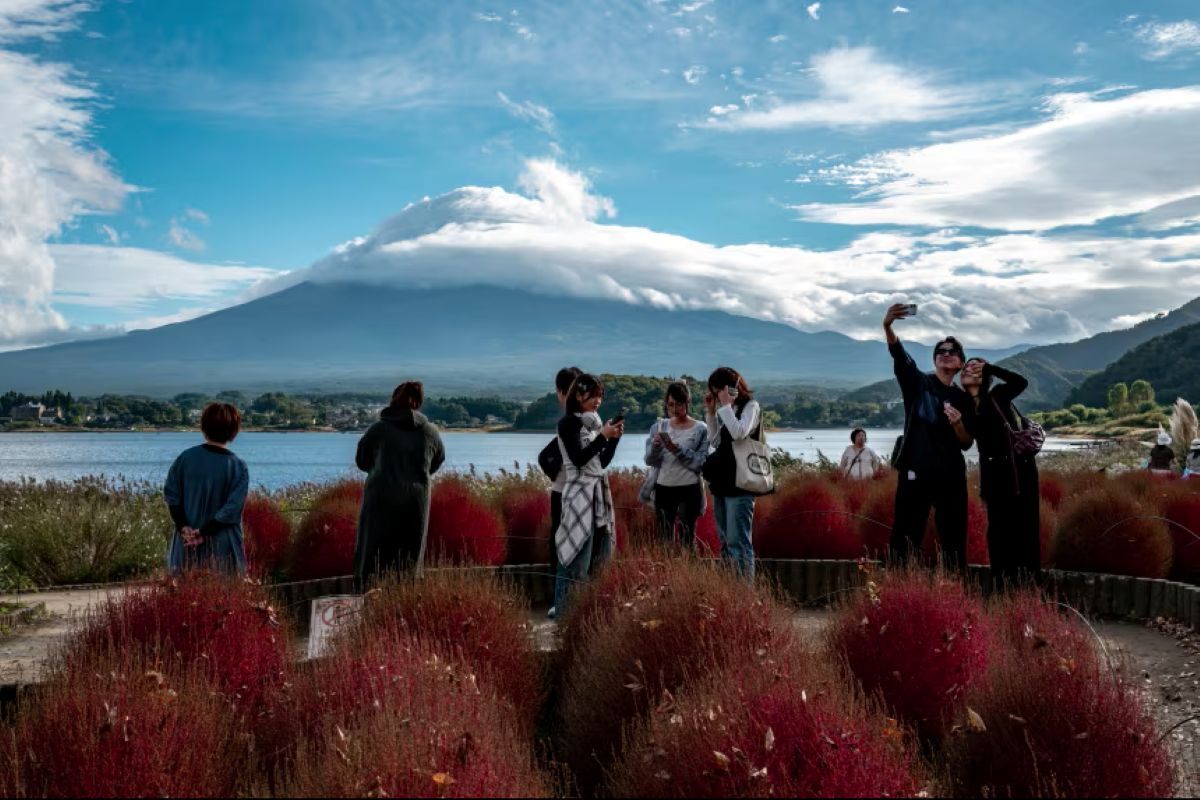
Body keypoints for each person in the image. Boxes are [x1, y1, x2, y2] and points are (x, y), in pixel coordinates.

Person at [882, 304, 975, 571]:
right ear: (935, 360)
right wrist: (888, 327)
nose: (945, 355)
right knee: (905, 538)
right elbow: (901, 357)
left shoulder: (963, 399)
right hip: (915, 472)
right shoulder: (918, 384)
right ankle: (899, 591)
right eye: (940, 352)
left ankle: (953, 593)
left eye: (952, 352)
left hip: (950, 477)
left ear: (959, 363)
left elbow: (967, 443)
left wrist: (957, 424)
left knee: (954, 540)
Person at [353, 381, 446, 589]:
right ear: (419, 403)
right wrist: (418, 476)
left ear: (394, 401)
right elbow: (438, 460)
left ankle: (369, 603)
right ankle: (406, 603)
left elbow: (361, 460)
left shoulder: (379, 430)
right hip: (417, 500)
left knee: (373, 556)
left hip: (380, 499)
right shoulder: (430, 432)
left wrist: (379, 472)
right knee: (409, 559)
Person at [960, 358, 1039, 589]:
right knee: (997, 536)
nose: (968, 369)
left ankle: (1027, 592)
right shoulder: (965, 405)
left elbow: (1021, 382)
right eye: (966, 367)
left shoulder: (997, 395)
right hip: (994, 477)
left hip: (1019, 473)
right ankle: (1001, 591)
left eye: (975, 367)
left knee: (1023, 534)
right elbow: (980, 451)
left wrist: (991, 367)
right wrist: (984, 490)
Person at [554, 373, 623, 613]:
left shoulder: (593, 423)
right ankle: (564, 618)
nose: (598, 401)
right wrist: (603, 436)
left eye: (600, 397)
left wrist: (612, 439)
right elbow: (579, 459)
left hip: (597, 496)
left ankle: (584, 617)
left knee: (598, 561)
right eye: (594, 396)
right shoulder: (569, 423)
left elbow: (600, 463)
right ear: (580, 395)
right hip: (578, 495)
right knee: (574, 561)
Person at [163, 402, 249, 576]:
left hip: (185, 544)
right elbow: (231, 510)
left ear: (204, 427)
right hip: (223, 548)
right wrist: (203, 533)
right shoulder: (238, 467)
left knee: (182, 595)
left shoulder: (184, 459)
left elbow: (172, 497)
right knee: (222, 598)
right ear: (234, 431)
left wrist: (184, 527)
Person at [702, 366, 762, 582]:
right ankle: (729, 591)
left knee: (739, 542)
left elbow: (739, 433)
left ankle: (744, 594)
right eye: (715, 391)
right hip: (723, 482)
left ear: (732, 388)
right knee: (726, 542)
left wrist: (726, 406)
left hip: (742, 483)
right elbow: (716, 441)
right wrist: (711, 413)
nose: (717, 395)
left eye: (718, 390)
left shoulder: (750, 407)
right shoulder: (729, 409)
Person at [645, 381, 709, 548]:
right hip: (664, 488)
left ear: (688, 402)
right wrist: (656, 446)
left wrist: (676, 449)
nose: (674, 409)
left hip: (689, 489)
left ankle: (689, 572)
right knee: (664, 540)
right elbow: (649, 461)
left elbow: (700, 463)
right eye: (670, 404)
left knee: (687, 539)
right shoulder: (658, 427)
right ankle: (667, 572)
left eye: (679, 404)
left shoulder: (701, 429)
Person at [546, 365, 581, 620]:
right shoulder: (572, 423)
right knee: (564, 546)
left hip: (567, 492)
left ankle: (563, 601)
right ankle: (561, 601)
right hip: (567, 491)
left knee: (564, 546)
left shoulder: (574, 422)